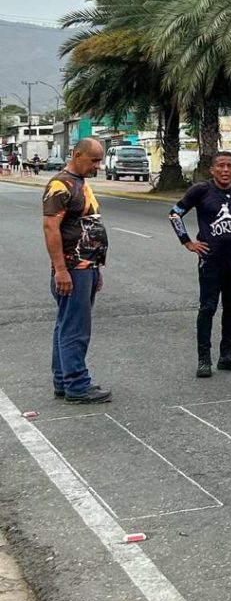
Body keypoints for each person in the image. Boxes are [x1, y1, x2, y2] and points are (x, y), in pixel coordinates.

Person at [169, 151, 231, 378]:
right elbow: (175, 214)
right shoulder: (201, 190)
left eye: (229, 165)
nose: (225, 170)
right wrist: (188, 242)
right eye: (220, 165)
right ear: (212, 170)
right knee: (208, 308)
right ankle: (204, 359)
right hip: (211, 261)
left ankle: (227, 355)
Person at [42, 138, 111, 404]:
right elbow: (50, 228)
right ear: (77, 155)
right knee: (76, 328)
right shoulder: (60, 185)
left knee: (66, 324)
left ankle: (64, 380)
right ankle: (77, 385)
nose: (98, 166)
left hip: (85, 266)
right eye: (94, 160)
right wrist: (61, 270)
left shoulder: (79, 182)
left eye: (100, 160)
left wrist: (95, 267)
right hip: (72, 268)